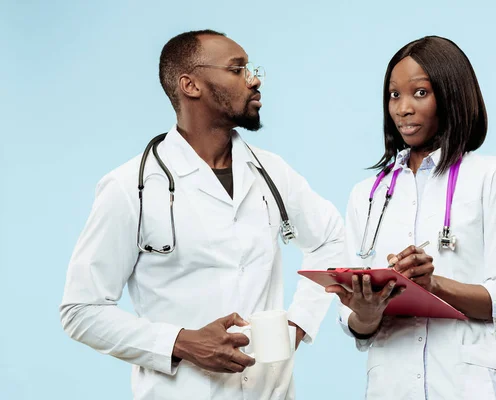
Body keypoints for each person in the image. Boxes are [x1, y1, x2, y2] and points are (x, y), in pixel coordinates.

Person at [60, 29, 344, 400]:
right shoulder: (131, 186)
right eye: (237, 69)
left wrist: (299, 323)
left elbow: (329, 238)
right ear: (190, 85)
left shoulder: (271, 172)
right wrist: (181, 342)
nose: (254, 80)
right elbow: (81, 310)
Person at [326, 35, 496, 399]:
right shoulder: (367, 195)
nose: (403, 108)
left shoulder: (491, 177)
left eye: (419, 93)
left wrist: (433, 285)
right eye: (394, 95)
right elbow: (354, 324)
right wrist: (366, 311)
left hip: (465, 384)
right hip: (390, 385)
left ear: (450, 95)